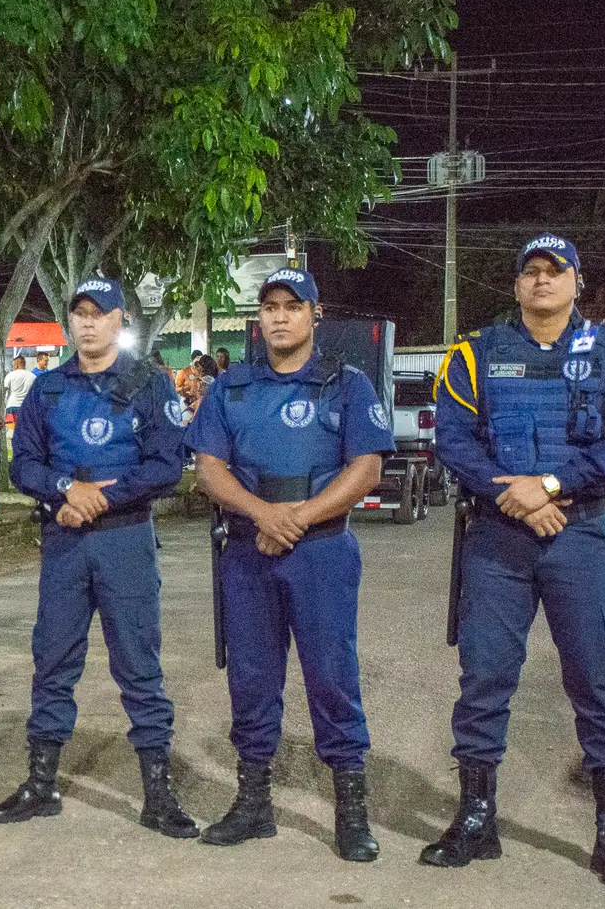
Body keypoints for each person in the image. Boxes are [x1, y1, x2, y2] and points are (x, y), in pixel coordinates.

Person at [425, 234, 605, 891]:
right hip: (498, 536)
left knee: (598, 678)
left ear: (577, 282)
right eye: (531, 271)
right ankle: (476, 818)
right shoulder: (475, 354)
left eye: (556, 270)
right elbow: (453, 440)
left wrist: (549, 486)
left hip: (578, 534)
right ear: (517, 284)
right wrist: (514, 495)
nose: (543, 280)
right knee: (485, 675)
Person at [185, 268, 393, 860]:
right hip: (248, 550)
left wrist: (294, 519)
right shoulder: (231, 388)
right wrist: (262, 515)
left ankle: (351, 813)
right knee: (251, 678)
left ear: (314, 315)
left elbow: (366, 469)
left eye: (292, 306)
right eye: (270, 306)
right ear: (259, 318)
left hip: (322, 551)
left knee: (331, 675)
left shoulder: (347, 384)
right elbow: (209, 469)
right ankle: (254, 805)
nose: (280, 316)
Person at [0, 277, 197, 839]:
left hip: (125, 539)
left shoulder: (149, 383)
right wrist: (66, 489)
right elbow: (23, 464)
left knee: (139, 665)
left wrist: (101, 497)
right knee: (53, 660)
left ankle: (158, 794)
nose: (87, 323)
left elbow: (166, 465)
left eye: (98, 314)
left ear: (118, 319)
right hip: (65, 540)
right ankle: (41, 784)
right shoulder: (48, 389)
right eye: (79, 313)